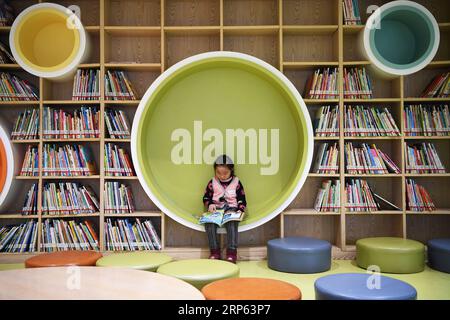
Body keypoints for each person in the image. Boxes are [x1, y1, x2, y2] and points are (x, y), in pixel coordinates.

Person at [202, 154, 246, 263]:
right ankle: (214, 251)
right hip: (216, 209)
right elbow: (206, 197)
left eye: (225, 173)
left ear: (231, 170)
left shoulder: (236, 182)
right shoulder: (212, 182)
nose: (222, 176)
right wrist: (210, 204)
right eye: (218, 173)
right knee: (209, 223)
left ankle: (231, 252)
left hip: (232, 209)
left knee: (231, 223)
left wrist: (241, 209)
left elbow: (242, 198)